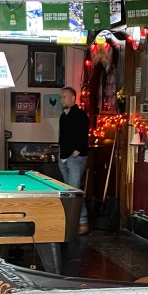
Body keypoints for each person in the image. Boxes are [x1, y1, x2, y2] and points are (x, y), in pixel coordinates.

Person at [58, 87, 89, 234]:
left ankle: (82, 221)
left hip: (75, 157)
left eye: (64, 97)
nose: (61, 99)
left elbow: (84, 134)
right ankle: (70, 222)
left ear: (72, 98)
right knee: (68, 191)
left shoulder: (80, 115)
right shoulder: (63, 116)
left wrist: (77, 150)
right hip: (64, 157)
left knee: (74, 191)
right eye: (61, 97)